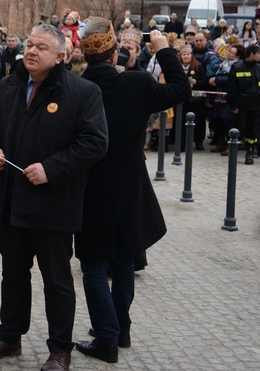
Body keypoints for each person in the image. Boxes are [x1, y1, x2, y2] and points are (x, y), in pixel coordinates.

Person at [0, 23, 108, 370]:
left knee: (57, 281)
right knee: (13, 273)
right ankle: (9, 336)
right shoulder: (9, 85)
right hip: (12, 201)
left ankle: (60, 349)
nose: (31, 51)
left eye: (41, 47)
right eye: (29, 45)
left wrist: (51, 168)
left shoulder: (82, 92)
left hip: (55, 205)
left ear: (61, 56)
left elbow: (94, 142)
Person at [73, 19, 190, 364]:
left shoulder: (77, 88)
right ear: (114, 52)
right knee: (123, 262)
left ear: (84, 53)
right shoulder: (138, 83)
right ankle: (118, 329)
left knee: (95, 264)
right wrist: (164, 50)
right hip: (129, 186)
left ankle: (108, 337)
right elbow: (181, 90)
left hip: (92, 188)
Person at [228, 43, 260, 164]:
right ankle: (233, 154)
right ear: (251, 54)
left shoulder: (259, 68)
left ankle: (249, 153)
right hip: (241, 106)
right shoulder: (237, 67)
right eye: (259, 53)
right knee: (238, 130)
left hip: (255, 106)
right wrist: (233, 106)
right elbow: (231, 89)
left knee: (252, 132)